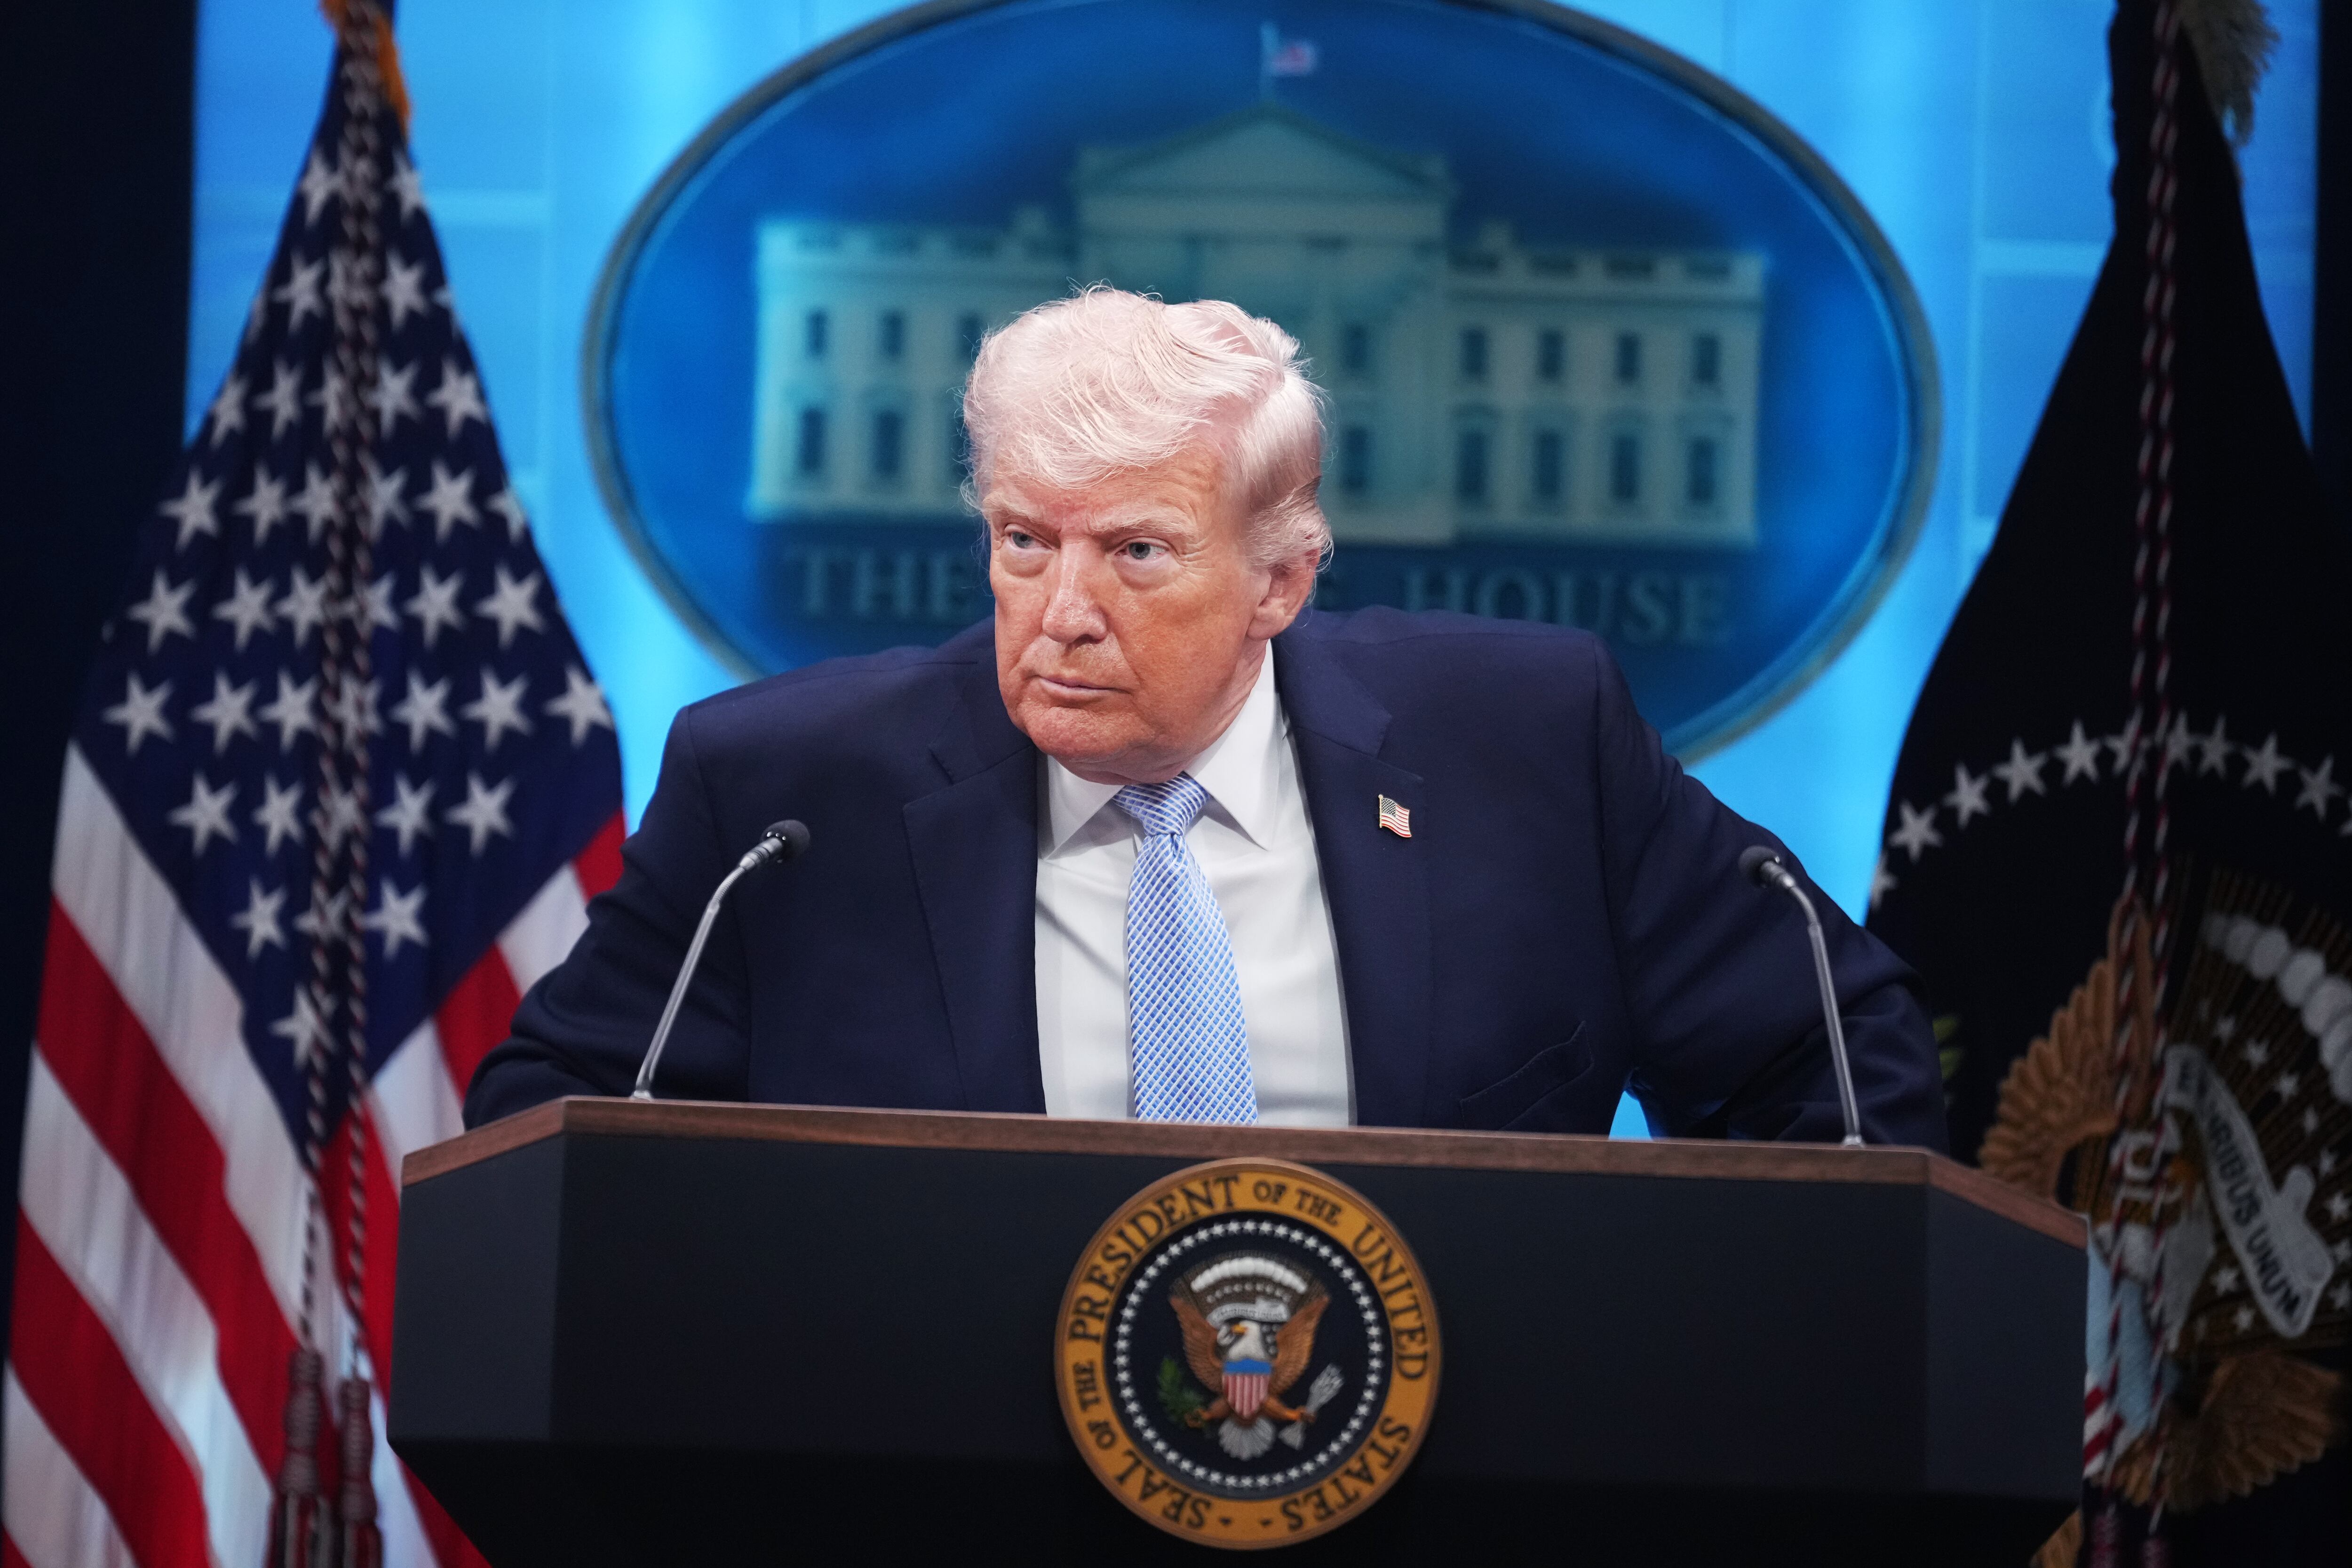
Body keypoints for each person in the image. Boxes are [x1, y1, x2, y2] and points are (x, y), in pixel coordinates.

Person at [467, 287, 1945, 1146]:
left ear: (1281, 582)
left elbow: (1836, 1051)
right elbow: (552, 1127)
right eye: (1022, 540)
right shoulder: (784, 800)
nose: (1062, 609)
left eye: (1137, 552)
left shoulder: (1531, 743)